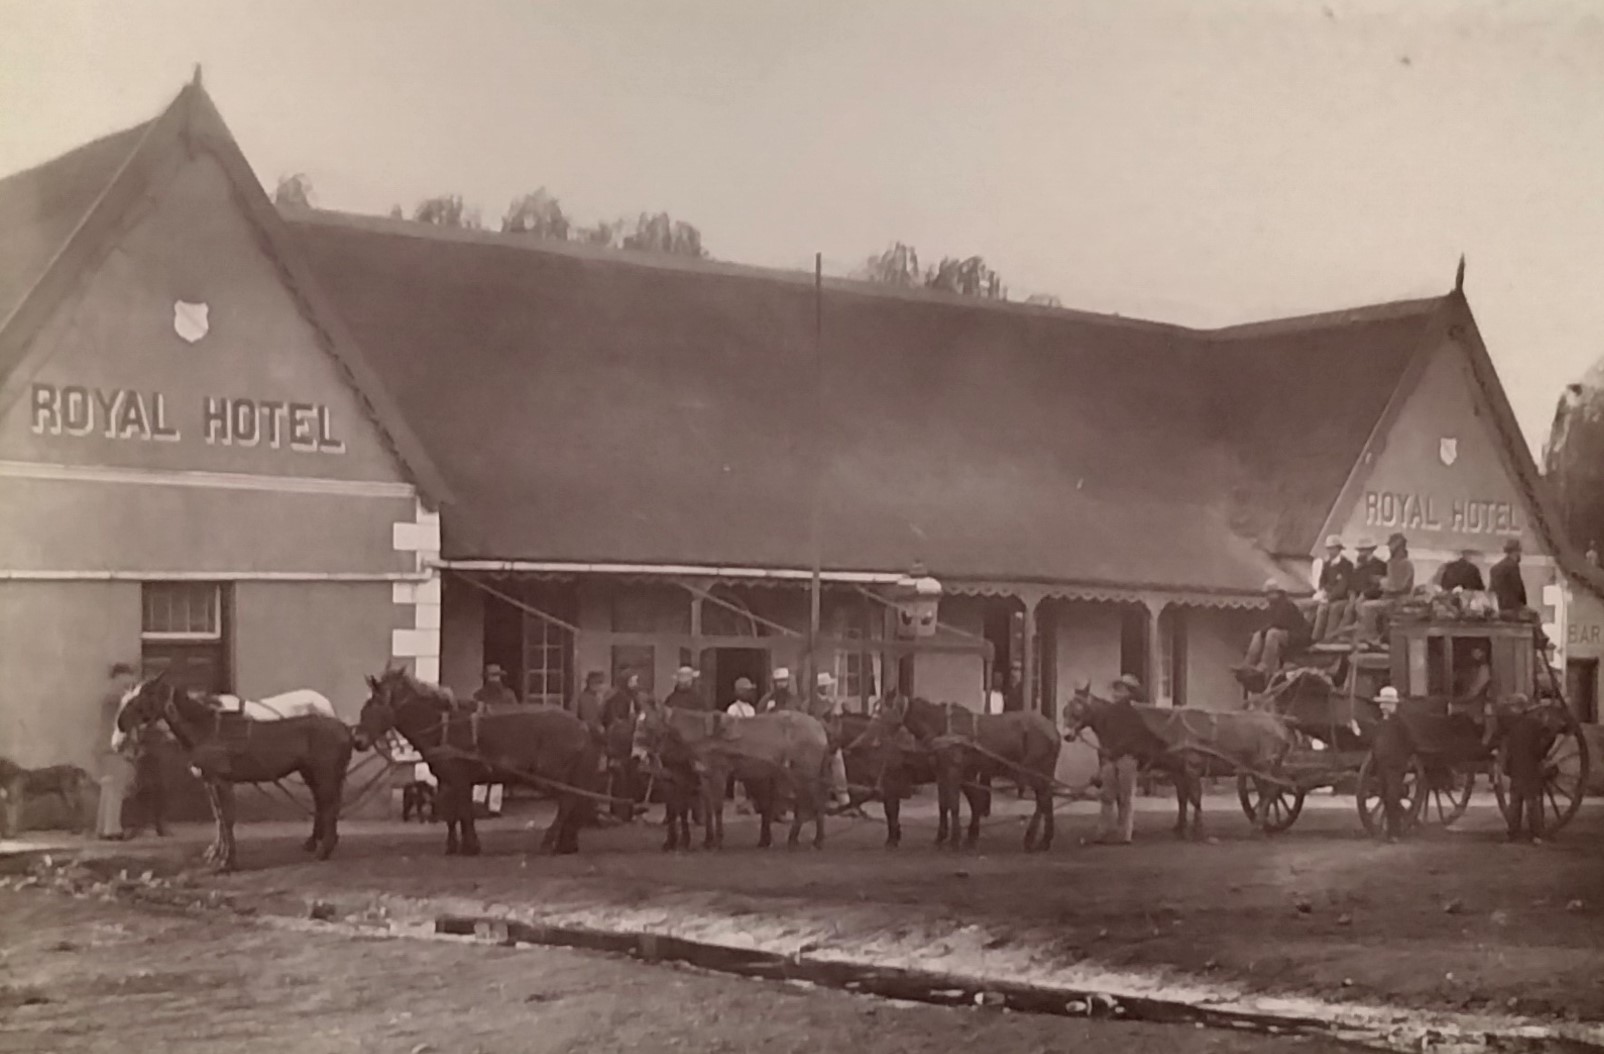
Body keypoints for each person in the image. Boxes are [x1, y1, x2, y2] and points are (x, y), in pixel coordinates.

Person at [1088, 675, 1141, 846]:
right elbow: (1104, 733)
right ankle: (1103, 831)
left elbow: (1132, 738)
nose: (1116, 693)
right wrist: (1105, 751)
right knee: (1107, 796)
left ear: (1129, 693)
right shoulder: (1109, 712)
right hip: (1110, 759)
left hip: (1127, 757)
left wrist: (1114, 751)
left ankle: (1125, 834)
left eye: (1121, 689)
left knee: (1126, 797)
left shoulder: (1134, 714)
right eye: (1116, 689)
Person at [96, 663, 140, 841]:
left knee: (108, 788)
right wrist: (133, 743)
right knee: (116, 789)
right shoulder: (120, 700)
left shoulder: (108, 698)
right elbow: (125, 725)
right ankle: (112, 829)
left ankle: (102, 827)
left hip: (104, 747)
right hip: (117, 748)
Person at [1239, 580, 1312, 677]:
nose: (1266, 597)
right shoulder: (1273, 606)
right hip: (1288, 634)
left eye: (1268, 594)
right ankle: (1247, 664)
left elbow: (1280, 623)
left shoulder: (1286, 604)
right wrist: (1261, 632)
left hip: (1298, 636)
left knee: (1272, 634)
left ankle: (1265, 665)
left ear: (1276, 593)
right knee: (1258, 634)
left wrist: (1264, 631)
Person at [1356, 533, 1415, 647]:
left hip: (1399, 600)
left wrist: (1381, 581)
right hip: (1388, 598)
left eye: (1391, 546)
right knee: (1364, 604)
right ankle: (1372, 635)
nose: (1389, 549)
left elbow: (1399, 587)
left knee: (1368, 607)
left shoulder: (1406, 564)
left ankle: (1372, 638)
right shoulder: (1391, 563)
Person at [601, 672, 644, 823]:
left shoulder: (633, 697)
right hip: (619, 744)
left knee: (631, 780)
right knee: (620, 780)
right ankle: (619, 812)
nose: (635, 684)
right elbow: (616, 721)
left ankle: (628, 811)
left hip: (630, 743)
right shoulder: (617, 699)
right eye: (633, 681)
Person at [810, 672, 851, 809]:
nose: (828, 688)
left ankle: (843, 799)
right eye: (826, 686)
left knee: (838, 767)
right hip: (816, 740)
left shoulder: (832, 702)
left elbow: (837, 722)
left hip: (831, 740)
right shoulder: (812, 703)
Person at [1310, 536, 1354, 642]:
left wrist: (1330, 597)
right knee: (1321, 609)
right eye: (1329, 548)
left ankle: (1329, 637)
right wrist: (1324, 592)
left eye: (1332, 548)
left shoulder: (1346, 565)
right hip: (1329, 596)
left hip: (1342, 597)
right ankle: (1315, 638)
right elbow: (1322, 581)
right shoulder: (1327, 564)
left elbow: (1343, 585)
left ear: (1339, 549)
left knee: (1333, 608)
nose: (1330, 551)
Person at [1490, 538, 1528, 613]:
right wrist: (1523, 604)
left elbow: (1491, 589)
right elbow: (1518, 588)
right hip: (1512, 608)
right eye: (1519, 552)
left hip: (1498, 607)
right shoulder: (1513, 566)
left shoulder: (1495, 568)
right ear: (1516, 552)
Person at [575, 671, 607, 739]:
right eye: (600, 682)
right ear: (591, 684)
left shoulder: (600, 698)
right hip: (587, 732)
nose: (602, 686)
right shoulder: (583, 698)